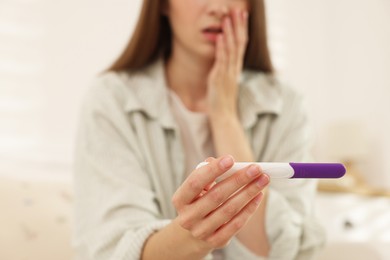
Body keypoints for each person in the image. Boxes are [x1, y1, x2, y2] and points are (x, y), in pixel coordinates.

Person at [73, 0, 325, 259]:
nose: (217, 7)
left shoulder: (286, 106)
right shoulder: (112, 100)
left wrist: (225, 116)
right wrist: (191, 236)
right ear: (162, 5)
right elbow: (113, 250)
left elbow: (283, 252)